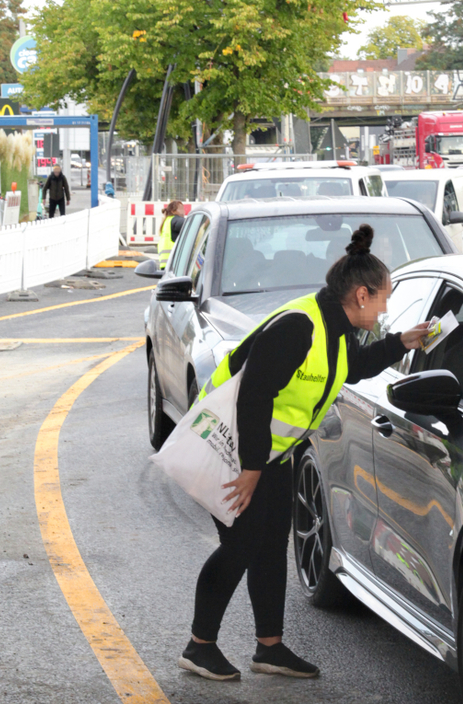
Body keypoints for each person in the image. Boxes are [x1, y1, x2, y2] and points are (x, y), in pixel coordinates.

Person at [178, 224, 430, 682]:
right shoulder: (298, 326)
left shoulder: (335, 328)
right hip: (231, 448)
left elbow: (350, 369)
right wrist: (253, 469)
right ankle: (199, 646)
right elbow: (253, 398)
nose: (386, 307)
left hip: (272, 453)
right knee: (240, 545)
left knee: (271, 546)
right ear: (360, 295)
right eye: (383, 298)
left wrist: (402, 342)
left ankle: (269, 648)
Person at [158, 200, 186, 269]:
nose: (184, 212)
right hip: (174, 264)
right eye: (181, 209)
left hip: (165, 264)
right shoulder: (176, 220)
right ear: (173, 211)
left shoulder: (167, 221)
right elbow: (189, 225)